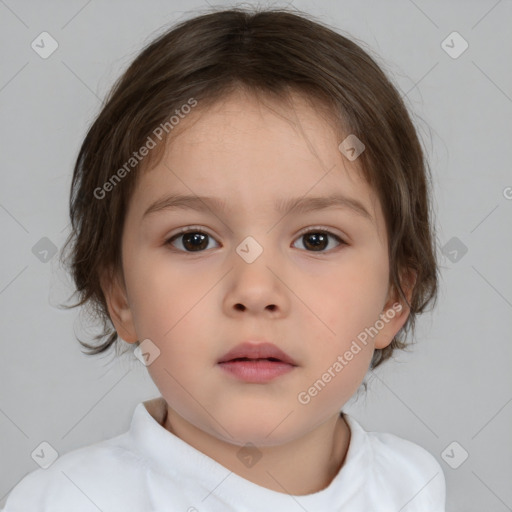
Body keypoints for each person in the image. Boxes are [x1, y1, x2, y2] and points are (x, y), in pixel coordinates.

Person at [2, 6, 445, 511]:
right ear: (119, 294)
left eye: (317, 240)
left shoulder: (411, 485)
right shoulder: (64, 502)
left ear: (394, 297)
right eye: (194, 240)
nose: (255, 292)